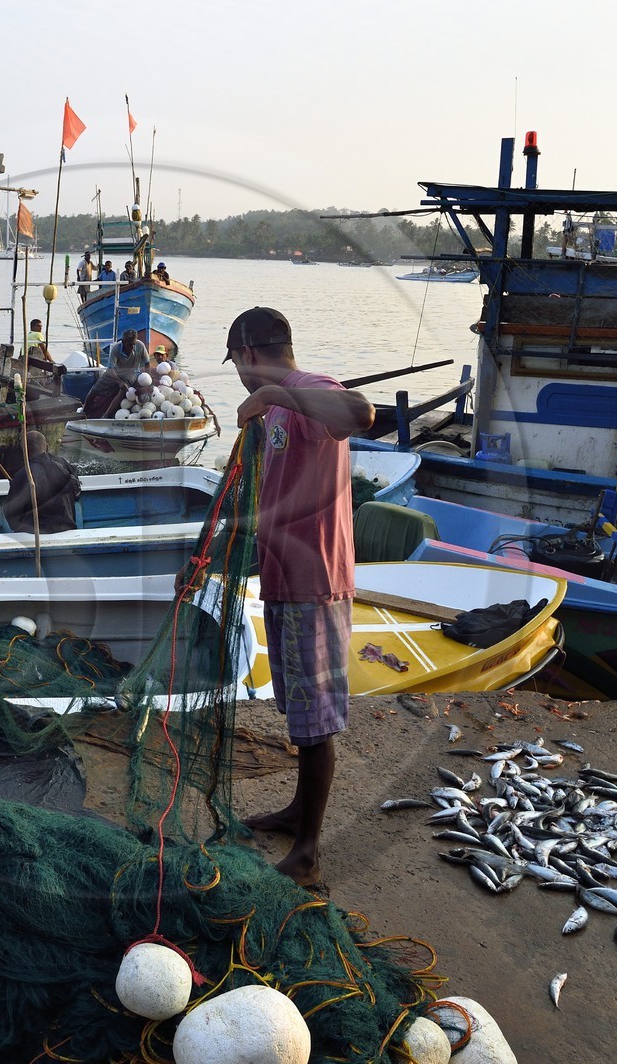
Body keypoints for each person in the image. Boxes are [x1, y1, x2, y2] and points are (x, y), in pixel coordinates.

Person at [221, 306, 373, 887]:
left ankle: (307, 854)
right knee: (298, 711)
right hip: (285, 578)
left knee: (315, 723)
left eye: (235, 361)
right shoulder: (283, 403)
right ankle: (295, 814)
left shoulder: (309, 389)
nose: (238, 373)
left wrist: (272, 398)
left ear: (248, 354)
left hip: (316, 583)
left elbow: (360, 412)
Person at [4, 429, 81, 533]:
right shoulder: (64, 466)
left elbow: (12, 517)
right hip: (66, 529)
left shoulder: (23, 475)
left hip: (33, 534)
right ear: (47, 447)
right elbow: (77, 493)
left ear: (24, 451)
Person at [81, 329, 146, 418]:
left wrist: (146, 376)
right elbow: (110, 369)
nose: (131, 347)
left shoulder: (140, 346)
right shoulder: (116, 348)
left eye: (133, 344)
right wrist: (119, 381)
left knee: (122, 390)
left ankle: (106, 415)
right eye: (129, 345)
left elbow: (147, 362)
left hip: (132, 372)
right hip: (116, 372)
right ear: (123, 342)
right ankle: (84, 411)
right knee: (94, 390)